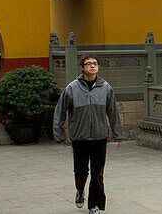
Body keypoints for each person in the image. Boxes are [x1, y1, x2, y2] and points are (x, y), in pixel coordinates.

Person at [53, 55, 125, 213]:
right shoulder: (72, 88)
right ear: (82, 67)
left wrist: (118, 135)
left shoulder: (105, 87)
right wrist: (59, 134)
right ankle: (80, 190)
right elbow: (60, 112)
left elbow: (113, 113)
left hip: (100, 137)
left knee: (97, 173)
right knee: (81, 170)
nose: (92, 66)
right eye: (89, 64)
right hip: (80, 137)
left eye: (95, 64)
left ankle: (95, 205)